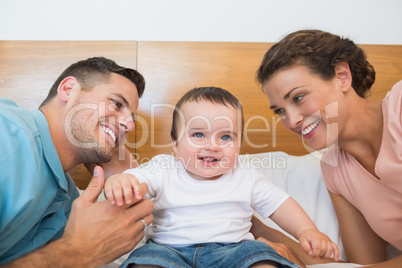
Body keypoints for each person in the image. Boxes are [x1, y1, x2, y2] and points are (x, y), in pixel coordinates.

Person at [105, 86, 339, 268]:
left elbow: (280, 204)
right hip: (169, 250)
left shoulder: (245, 175)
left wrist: (307, 231)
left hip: (233, 251)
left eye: (226, 137)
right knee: (146, 259)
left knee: (261, 257)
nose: (212, 145)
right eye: (198, 134)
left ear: (239, 145)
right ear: (175, 144)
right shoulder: (163, 168)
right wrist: (120, 181)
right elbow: (135, 180)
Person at [254, 29, 402, 267]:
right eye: (280, 111)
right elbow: (365, 264)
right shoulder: (334, 169)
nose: (291, 122)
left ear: (342, 76)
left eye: (298, 97)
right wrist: (257, 227)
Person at [0, 57, 154, 267]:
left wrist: (123, 175)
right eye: (116, 103)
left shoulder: (69, 202)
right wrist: (78, 251)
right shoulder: (8, 134)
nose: (129, 125)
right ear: (68, 89)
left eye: (132, 118)